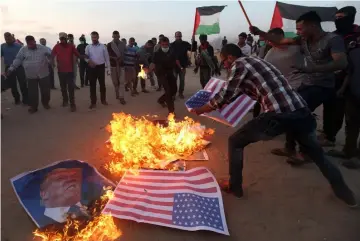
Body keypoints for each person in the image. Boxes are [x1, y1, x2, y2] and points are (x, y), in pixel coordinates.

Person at [190, 43, 357, 207]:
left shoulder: (240, 64)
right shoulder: (259, 62)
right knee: (318, 155)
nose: (224, 65)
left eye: (224, 61)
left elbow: (225, 95)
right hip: (301, 112)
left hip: (278, 114)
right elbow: (236, 94)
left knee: (235, 141)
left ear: (231, 57)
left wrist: (201, 109)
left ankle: (235, 187)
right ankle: (345, 193)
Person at [250, 11, 349, 165]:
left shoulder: (333, 40)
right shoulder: (303, 40)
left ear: (313, 26)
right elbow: (281, 41)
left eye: (300, 28)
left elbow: (341, 63)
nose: (298, 32)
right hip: (306, 84)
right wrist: (260, 32)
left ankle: (306, 153)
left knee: (300, 114)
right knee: (290, 109)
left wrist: (313, 68)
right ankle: (289, 147)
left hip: (323, 86)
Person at [321, 6, 360, 147]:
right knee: (332, 109)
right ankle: (329, 136)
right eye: (336, 18)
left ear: (350, 17)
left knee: (353, 117)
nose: (337, 21)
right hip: (335, 79)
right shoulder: (334, 36)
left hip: (355, 81)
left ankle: (350, 150)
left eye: (341, 17)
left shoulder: (357, 34)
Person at [6, 35, 52, 113]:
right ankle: (34, 107)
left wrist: (50, 60)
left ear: (35, 41)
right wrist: (11, 69)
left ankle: (45, 103)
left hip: (43, 74)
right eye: (30, 44)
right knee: (32, 93)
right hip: (31, 76)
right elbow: (18, 59)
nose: (32, 46)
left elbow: (51, 55)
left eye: (33, 43)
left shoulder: (42, 48)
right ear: (27, 43)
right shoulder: (23, 50)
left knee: (46, 91)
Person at [52, 32, 82, 112]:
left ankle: (72, 104)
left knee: (71, 88)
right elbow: (52, 55)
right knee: (63, 88)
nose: (62, 40)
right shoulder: (57, 46)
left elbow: (78, 55)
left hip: (70, 71)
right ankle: (65, 101)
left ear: (66, 38)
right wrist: (52, 63)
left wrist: (87, 58)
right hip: (61, 71)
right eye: (61, 39)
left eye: (63, 38)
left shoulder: (71, 46)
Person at [150, 37, 177, 116]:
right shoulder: (157, 53)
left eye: (166, 44)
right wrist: (149, 70)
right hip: (161, 74)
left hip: (170, 73)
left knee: (174, 90)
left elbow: (175, 61)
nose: (165, 46)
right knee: (168, 91)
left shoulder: (172, 52)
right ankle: (171, 112)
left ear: (168, 44)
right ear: (160, 44)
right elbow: (153, 63)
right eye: (163, 44)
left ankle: (161, 100)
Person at [85, 31, 110, 109]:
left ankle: (103, 100)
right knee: (92, 85)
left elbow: (107, 58)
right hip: (92, 68)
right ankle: (93, 102)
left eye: (95, 37)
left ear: (98, 37)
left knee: (102, 85)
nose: (94, 39)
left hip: (101, 67)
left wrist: (109, 69)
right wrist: (89, 61)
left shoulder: (103, 46)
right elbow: (85, 57)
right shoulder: (88, 47)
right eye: (92, 37)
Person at [1, 32, 28, 105]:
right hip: (9, 67)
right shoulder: (2, 46)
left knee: (23, 83)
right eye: (6, 38)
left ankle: (25, 100)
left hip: (19, 67)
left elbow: (24, 56)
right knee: (12, 85)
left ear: (11, 38)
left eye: (9, 38)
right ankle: (17, 99)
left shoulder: (18, 46)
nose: (7, 39)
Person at [107, 30, 126, 104]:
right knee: (115, 82)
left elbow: (125, 53)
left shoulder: (123, 44)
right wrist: (113, 58)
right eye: (114, 36)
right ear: (112, 36)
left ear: (119, 36)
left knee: (121, 82)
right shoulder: (109, 45)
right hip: (113, 66)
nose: (115, 37)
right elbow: (107, 55)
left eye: (117, 36)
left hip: (121, 65)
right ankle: (117, 92)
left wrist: (122, 58)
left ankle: (122, 97)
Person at [170, 31, 191, 99]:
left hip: (183, 66)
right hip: (174, 66)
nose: (178, 37)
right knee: (174, 81)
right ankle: (173, 94)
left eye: (179, 36)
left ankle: (180, 93)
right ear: (175, 36)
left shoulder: (185, 44)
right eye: (177, 36)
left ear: (181, 36)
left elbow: (192, 48)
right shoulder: (171, 45)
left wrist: (193, 41)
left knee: (182, 80)